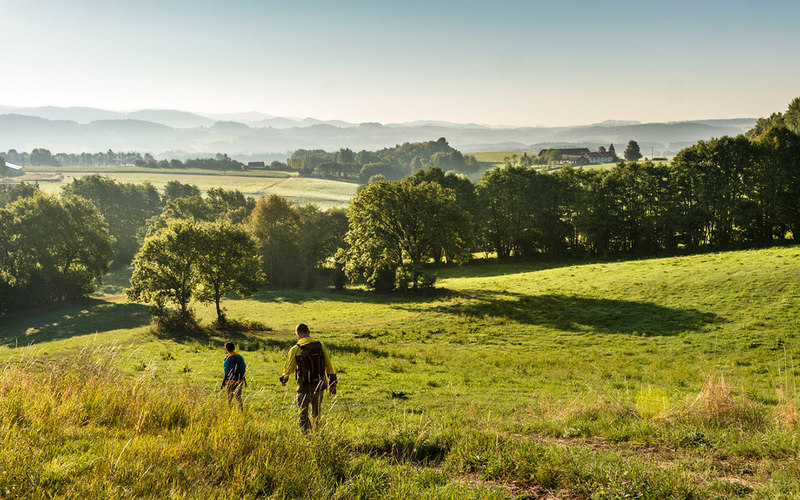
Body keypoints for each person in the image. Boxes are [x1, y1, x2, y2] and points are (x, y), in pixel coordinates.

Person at [279, 323, 337, 432]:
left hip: (304, 387)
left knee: (302, 413)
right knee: (316, 414)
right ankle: (317, 434)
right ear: (309, 332)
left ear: (298, 334)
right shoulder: (320, 346)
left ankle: (306, 435)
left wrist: (284, 379)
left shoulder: (295, 349)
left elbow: (289, 368)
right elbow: (329, 365)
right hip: (319, 385)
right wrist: (332, 384)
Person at [222, 342, 246, 410]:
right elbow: (244, 366)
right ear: (234, 348)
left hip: (230, 380)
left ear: (227, 349)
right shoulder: (240, 356)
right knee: (238, 396)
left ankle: (229, 410)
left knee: (230, 397)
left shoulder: (227, 358)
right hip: (240, 380)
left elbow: (226, 370)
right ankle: (241, 410)